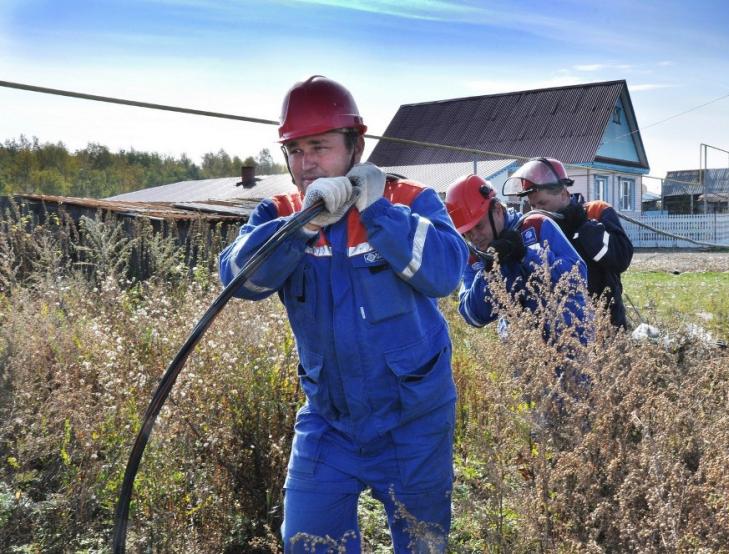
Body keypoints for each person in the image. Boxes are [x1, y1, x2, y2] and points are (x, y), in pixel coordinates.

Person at [218, 76, 469, 553]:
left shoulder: (409, 201)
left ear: (356, 145)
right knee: (309, 542)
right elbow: (238, 280)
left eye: (320, 146)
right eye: (294, 149)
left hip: (413, 419)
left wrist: (377, 211)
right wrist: (302, 225)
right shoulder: (281, 211)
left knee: (423, 544)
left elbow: (446, 273)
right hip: (329, 421)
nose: (306, 162)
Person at [445, 174, 587, 340]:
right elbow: (473, 316)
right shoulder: (476, 258)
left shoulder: (536, 226)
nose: (474, 237)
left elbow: (579, 278)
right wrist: (489, 273)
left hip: (570, 345)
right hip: (522, 354)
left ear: (497, 209)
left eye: (479, 226)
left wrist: (526, 255)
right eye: (467, 232)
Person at [503, 158, 633, 328]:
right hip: (564, 329)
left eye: (542, 203)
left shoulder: (596, 211)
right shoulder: (538, 228)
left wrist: (584, 228)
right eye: (533, 205)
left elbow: (622, 258)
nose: (537, 211)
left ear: (564, 194)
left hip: (608, 321)